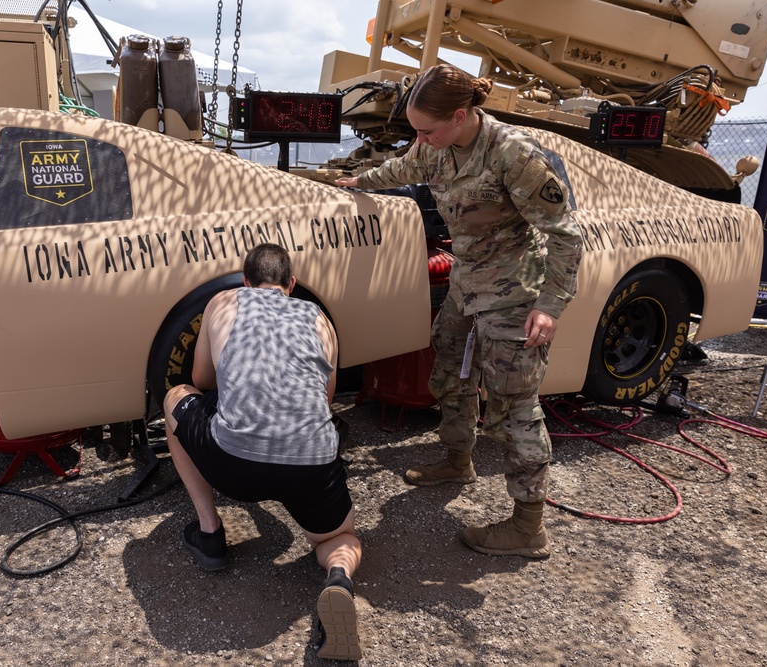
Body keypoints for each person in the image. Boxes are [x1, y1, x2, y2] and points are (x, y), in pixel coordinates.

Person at [335, 64, 582, 559]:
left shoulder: (514, 155)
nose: (420, 140)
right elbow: (403, 169)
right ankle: (457, 459)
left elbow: (565, 234)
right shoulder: (435, 145)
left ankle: (527, 527)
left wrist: (551, 306)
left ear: (462, 115)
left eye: (427, 130)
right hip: (467, 284)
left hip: (514, 292)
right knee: (449, 369)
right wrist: (356, 180)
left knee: (514, 405)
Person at [163, 243, 362, 661]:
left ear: (244, 280)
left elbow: (200, 379)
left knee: (176, 396)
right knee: (339, 537)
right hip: (311, 463)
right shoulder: (320, 320)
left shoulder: (223, 300)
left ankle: (210, 533)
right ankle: (339, 577)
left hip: (233, 464)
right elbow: (323, 405)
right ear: (291, 285)